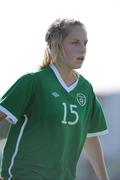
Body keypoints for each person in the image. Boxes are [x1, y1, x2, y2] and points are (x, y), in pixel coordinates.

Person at [0, 18, 109, 180]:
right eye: (75, 43)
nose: (83, 49)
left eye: (85, 43)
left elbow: (91, 138)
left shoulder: (86, 90)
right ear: (56, 45)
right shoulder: (33, 82)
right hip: (24, 175)